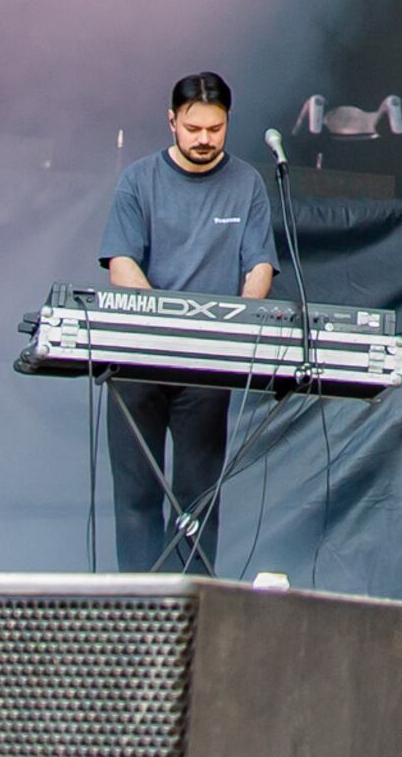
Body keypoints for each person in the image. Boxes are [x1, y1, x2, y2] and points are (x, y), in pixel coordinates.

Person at [98, 72, 281, 574]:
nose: (204, 139)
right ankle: (138, 619)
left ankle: (192, 613)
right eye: (194, 128)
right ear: (172, 122)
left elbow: (259, 266)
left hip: (208, 367)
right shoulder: (139, 179)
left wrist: (236, 324)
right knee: (136, 496)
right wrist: (167, 324)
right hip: (138, 361)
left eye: (215, 129)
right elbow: (121, 264)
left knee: (197, 501)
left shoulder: (246, 184)